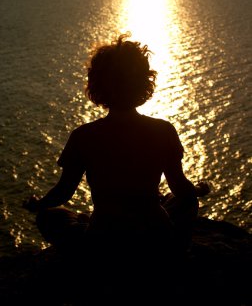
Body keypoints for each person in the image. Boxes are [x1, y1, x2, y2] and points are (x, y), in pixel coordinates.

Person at [23, 34, 210, 257]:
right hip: (156, 237)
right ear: (144, 83)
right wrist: (199, 190)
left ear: (96, 86)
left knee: (49, 216)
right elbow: (181, 188)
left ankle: (85, 238)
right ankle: (172, 254)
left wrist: (38, 204)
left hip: (104, 241)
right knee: (184, 204)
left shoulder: (84, 136)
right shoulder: (163, 130)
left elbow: (63, 192)